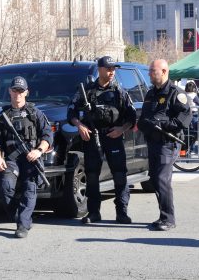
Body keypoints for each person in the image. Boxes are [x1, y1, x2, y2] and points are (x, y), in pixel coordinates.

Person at [67, 56, 136, 224]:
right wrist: (79, 125)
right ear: (100, 69)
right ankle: (93, 213)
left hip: (113, 137)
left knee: (120, 175)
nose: (112, 72)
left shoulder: (119, 91)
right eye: (109, 68)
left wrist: (122, 129)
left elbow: (132, 115)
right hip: (92, 137)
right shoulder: (87, 90)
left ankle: (122, 212)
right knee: (91, 176)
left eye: (114, 69)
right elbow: (71, 112)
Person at [0, 76, 53, 238]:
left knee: (29, 188)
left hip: (31, 158)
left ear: (26, 92)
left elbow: (48, 136)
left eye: (21, 91)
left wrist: (39, 151)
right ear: (9, 92)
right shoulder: (2, 116)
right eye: (14, 90)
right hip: (11, 159)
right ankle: (20, 217)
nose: (17, 94)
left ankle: (23, 225)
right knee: (5, 186)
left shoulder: (35, 113)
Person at [137, 59, 192, 231]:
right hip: (153, 143)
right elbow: (144, 116)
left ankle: (169, 219)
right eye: (150, 71)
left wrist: (164, 125)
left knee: (162, 180)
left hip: (168, 143)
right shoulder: (151, 93)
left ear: (164, 71)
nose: (150, 74)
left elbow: (185, 117)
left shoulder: (176, 93)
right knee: (155, 179)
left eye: (153, 71)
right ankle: (163, 216)